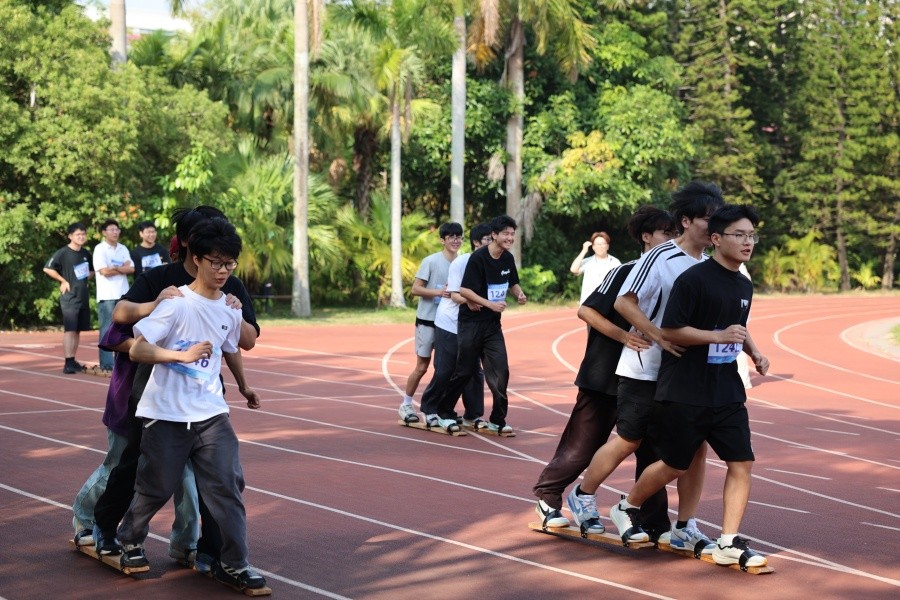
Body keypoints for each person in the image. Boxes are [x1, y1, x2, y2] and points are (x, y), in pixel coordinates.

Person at [91, 206, 259, 573]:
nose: (223, 269)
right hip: (157, 393)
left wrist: (244, 384)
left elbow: (240, 341)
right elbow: (122, 322)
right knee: (145, 472)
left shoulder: (229, 287)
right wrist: (158, 310)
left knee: (223, 482)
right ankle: (110, 528)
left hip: (207, 402)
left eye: (229, 262)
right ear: (190, 246)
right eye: (216, 260)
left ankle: (220, 555)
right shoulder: (165, 283)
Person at [609, 204, 770, 569]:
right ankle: (627, 505)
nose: (748, 242)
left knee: (741, 461)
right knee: (674, 465)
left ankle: (728, 541)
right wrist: (716, 336)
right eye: (739, 235)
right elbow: (670, 331)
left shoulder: (743, 283)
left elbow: (737, 328)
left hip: (725, 387)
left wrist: (755, 352)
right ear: (717, 239)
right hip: (685, 387)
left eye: (752, 236)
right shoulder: (693, 280)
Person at [566, 181, 724, 548]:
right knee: (629, 440)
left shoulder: (712, 264)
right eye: (708, 220)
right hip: (645, 367)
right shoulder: (660, 257)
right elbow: (624, 302)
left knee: (693, 449)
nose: (714, 228)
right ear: (686, 221)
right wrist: (656, 336)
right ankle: (583, 493)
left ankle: (684, 525)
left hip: (687, 373)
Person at [533, 207, 676, 534]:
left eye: (675, 234)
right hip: (605, 375)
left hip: (646, 378)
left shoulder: (675, 274)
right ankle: (548, 496)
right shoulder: (625, 271)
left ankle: (654, 521)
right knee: (584, 445)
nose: (672, 241)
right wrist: (625, 336)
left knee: (651, 450)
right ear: (646, 236)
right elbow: (587, 311)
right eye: (666, 234)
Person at [432, 215, 526, 434]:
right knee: (464, 371)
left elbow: (512, 282)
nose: (510, 238)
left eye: (512, 234)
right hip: (471, 324)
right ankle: (444, 412)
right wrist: (489, 304)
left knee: (501, 372)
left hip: (493, 326)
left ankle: (497, 420)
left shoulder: (507, 258)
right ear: (494, 235)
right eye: (506, 234)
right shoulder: (478, 258)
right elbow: (464, 290)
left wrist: (519, 294)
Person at [419, 223, 492, 429]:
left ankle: (473, 415)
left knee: (474, 371)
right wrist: (471, 300)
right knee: (445, 370)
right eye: (488, 239)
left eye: (492, 239)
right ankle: (430, 409)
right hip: (449, 322)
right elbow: (454, 295)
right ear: (476, 242)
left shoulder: (492, 263)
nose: (491, 243)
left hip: (472, 325)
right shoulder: (462, 262)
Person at [398, 222, 464, 423]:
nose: (455, 240)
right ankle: (406, 404)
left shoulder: (462, 262)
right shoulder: (431, 261)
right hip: (428, 321)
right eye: (451, 237)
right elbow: (415, 289)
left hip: (450, 324)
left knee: (447, 368)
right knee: (422, 366)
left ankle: (438, 408)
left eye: (459, 237)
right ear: (442, 240)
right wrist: (439, 292)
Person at [43, 223, 94, 374]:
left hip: (83, 296)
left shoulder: (85, 253)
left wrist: (84, 279)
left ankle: (72, 360)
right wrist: (63, 281)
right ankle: (67, 362)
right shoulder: (63, 253)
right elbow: (47, 268)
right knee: (70, 330)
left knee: (77, 330)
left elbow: (91, 271)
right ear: (70, 236)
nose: (81, 237)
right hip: (69, 297)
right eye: (78, 234)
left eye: (83, 234)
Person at [93, 219, 133, 371]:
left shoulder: (123, 248)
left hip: (123, 294)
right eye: (111, 230)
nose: (115, 232)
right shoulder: (100, 249)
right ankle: (106, 363)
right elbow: (104, 271)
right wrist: (121, 267)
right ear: (104, 232)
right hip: (107, 295)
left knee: (122, 329)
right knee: (106, 329)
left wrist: (114, 268)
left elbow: (131, 269)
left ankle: (119, 362)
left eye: (117, 229)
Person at [570, 232, 621, 304]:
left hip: (607, 303)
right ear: (593, 247)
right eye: (597, 244)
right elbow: (573, 269)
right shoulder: (588, 262)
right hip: (588, 303)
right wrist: (584, 251)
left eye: (602, 244)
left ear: (607, 246)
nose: (600, 246)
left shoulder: (615, 262)